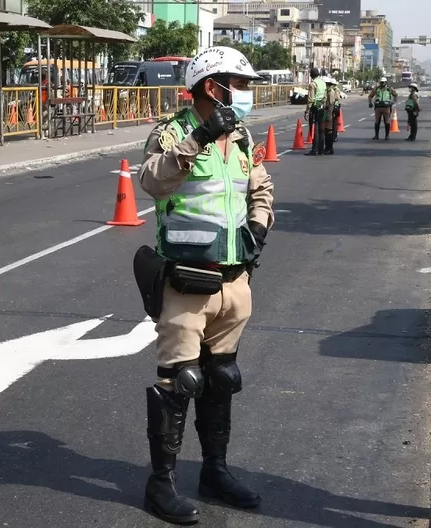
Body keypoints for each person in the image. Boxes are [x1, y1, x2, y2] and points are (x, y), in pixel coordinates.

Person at [136, 45, 274, 524]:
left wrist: (259, 225)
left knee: (220, 380)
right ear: (213, 87)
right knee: (178, 382)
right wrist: (196, 138)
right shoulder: (171, 132)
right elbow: (151, 181)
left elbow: (260, 187)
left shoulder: (240, 136)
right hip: (188, 282)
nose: (247, 94)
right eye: (240, 85)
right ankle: (161, 484)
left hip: (235, 282)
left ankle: (215, 470)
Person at [305, 67, 327, 156]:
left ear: (311, 75)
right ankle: (321, 149)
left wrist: (307, 111)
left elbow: (310, 99)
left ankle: (315, 149)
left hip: (314, 107)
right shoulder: (323, 83)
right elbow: (325, 96)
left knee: (314, 129)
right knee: (321, 129)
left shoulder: (313, 84)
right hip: (321, 106)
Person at [322, 76, 339, 155]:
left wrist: (328, 116)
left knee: (329, 132)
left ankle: (329, 148)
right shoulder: (327, 92)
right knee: (326, 132)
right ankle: (327, 148)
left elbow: (331, 104)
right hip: (327, 113)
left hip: (329, 114)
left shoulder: (330, 92)